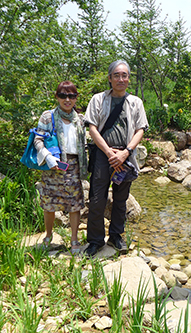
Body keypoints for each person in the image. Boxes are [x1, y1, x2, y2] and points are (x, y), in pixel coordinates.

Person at [84, 60, 148, 257]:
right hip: (104, 155)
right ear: (110, 78)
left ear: (129, 78)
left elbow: (140, 129)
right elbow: (92, 127)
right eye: (117, 75)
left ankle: (116, 235)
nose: (121, 79)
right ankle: (95, 240)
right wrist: (110, 152)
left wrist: (126, 152)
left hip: (125, 155)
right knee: (97, 198)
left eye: (125, 75)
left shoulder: (135, 102)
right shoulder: (98, 99)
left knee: (121, 198)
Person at [34, 80, 88, 254]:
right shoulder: (47, 116)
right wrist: (49, 158)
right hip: (52, 166)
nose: (67, 99)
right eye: (63, 95)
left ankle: (74, 239)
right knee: (49, 203)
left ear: (76, 98)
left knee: (74, 204)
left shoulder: (80, 119)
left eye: (71, 96)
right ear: (57, 96)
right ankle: (48, 236)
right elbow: (38, 139)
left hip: (73, 166)